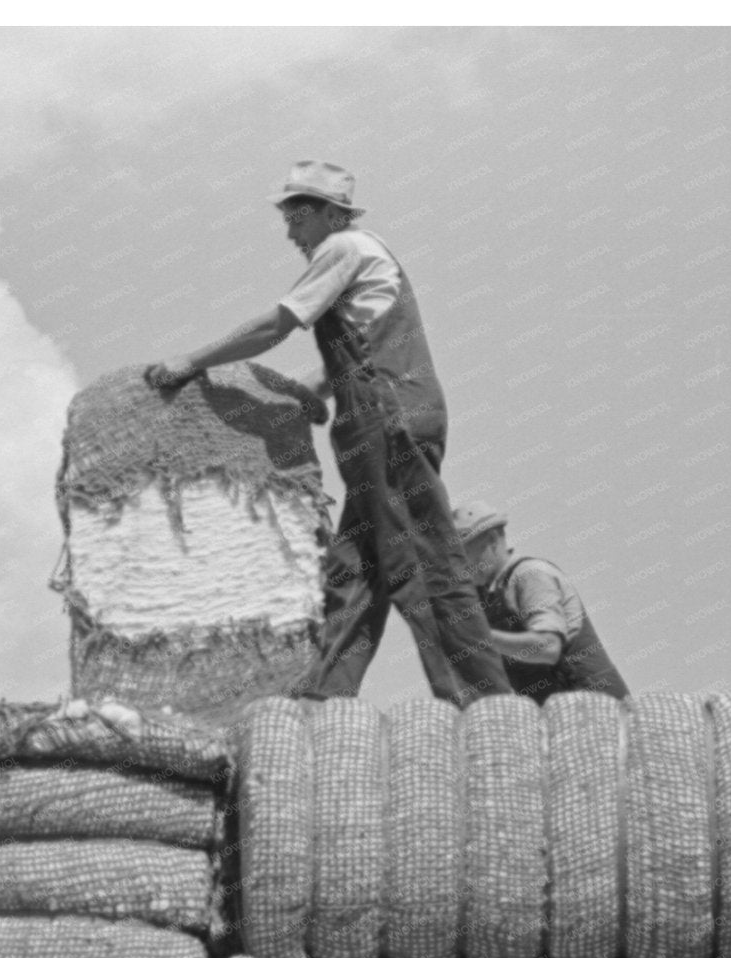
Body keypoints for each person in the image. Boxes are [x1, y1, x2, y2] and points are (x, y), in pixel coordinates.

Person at [144, 160, 510, 707]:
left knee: (419, 556)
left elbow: (276, 326)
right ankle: (322, 696)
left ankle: (484, 703)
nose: (291, 233)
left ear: (329, 214)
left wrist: (191, 361)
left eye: (297, 218)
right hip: (384, 416)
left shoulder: (343, 248)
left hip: (387, 417)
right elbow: (360, 346)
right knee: (357, 565)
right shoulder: (367, 253)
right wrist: (308, 391)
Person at [454, 500, 631, 702]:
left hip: (598, 706)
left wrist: (479, 637)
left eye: (465, 553)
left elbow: (548, 648)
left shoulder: (530, 575)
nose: (461, 565)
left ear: (492, 540)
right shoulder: (488, 594)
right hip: (557, 713)